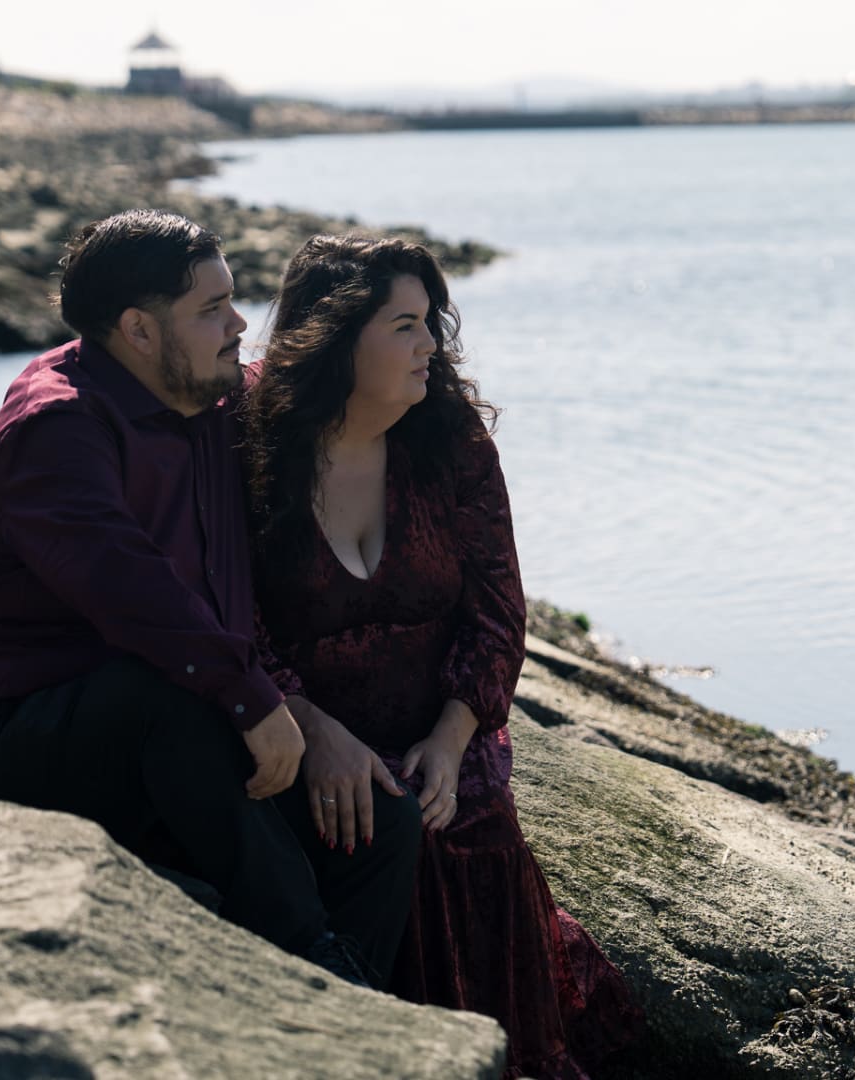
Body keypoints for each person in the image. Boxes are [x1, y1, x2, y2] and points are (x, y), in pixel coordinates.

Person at [0, 209, 420, 988]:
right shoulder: (57, 426)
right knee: (166, 695)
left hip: (180, 724)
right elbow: (136, 595)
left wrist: (442, 409)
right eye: (211, 308)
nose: (239, 324)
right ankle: (314, 966)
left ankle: (345, 998)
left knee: (379, 818)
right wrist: (257, 701)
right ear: (138, 329)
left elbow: (336, 399)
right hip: (32, 747)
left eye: (233, 302)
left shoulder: (210, 397)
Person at [240, 235, 642, 1078]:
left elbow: (498, 611)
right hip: (310, 750)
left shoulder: (451, 440)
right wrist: (310, 729)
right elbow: (229, 618)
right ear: (335, 338)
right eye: (405, 326)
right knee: (364, 837)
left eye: (430, 322)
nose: (431, 344)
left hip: (441, 741)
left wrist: (454, 740)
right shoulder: (245, 445)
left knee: (463, 835)